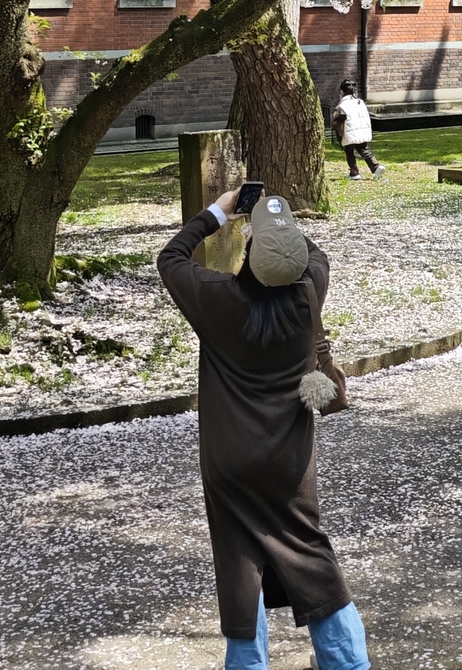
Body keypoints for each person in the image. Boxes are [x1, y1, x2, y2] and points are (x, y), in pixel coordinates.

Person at [158, 189, 372, 670]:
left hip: (229, 464)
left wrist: (220, 212)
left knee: (238, 561)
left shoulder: (216, 301)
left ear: (251, 259)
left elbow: (170, 257)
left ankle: (249, 663)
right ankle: (347, 662)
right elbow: (315, 255)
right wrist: (279, 219)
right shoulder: (310, 292)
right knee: (309, 552)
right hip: (289, 464)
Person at [330, 80, 383, 179]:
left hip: (349, 131)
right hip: (362, 130)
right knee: (363, 149)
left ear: (342, 91)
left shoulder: (343, 105)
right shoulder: (360, 102)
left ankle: (354, 172)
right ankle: (375, 166)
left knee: (349, 151)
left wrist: (336, 121)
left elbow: (341, 118)